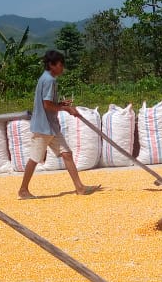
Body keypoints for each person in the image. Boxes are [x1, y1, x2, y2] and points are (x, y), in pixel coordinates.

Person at [18, 49, 100, 199]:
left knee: (67, 154)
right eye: (60, 65)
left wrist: (61, 104)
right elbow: (47, 105)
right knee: (35, 158)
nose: (62, 68)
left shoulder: (46, 79)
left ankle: (80, 187)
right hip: (43, 127)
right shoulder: (49, 80)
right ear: (52, 65)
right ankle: (23, 190)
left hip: (51, 127)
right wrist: (67, 108)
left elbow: (50, 103)